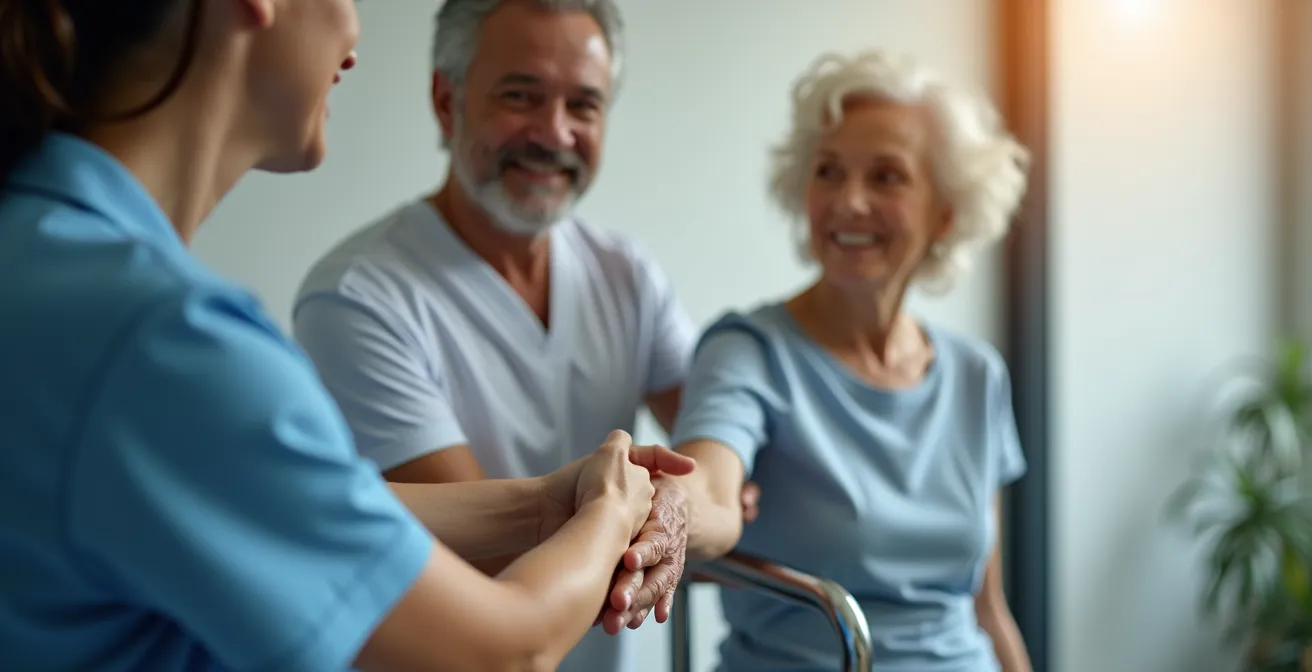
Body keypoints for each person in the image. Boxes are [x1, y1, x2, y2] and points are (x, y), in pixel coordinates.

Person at [0, 1, 697, 670]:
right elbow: (506, 653)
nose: (356, 34)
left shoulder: (48, 260)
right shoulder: (166, 343)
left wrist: (544, 502)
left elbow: (275, 496)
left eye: (583, 102)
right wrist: (615, 506)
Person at [292, 1, 755, 669]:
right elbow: (487, 550)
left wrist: (695, 497)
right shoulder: (358, 295)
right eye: (521, 95)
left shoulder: (626, 273)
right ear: (445, 101)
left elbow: (718, 472)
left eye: (585, 105)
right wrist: (683, 509)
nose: (554, 132)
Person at [661, 50, 1036, 671]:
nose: (848, 201)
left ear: (945, 211)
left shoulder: (978, 375)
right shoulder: (749, 352)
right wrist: (668, 510)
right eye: (828, 172)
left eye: (886, 177)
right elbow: (706, 484)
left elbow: (986, 608)